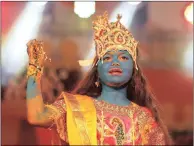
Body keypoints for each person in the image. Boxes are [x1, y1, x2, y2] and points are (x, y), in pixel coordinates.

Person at [26, 12, 172, 145]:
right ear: (97, 69)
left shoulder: (143, 118)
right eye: (107, 58)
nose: (115, 62)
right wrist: (34, 70)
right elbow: (37, 116)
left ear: (134, 68)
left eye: (123, 57)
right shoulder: (76, 108)